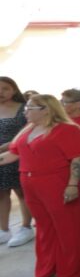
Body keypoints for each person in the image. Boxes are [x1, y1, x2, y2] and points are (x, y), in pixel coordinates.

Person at [0, 94, 80, 277]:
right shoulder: (28, 130)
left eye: (30, 108)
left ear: (46, 109)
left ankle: (70, 270)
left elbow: (76, 159)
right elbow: (13, 154)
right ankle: (48, 266)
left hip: (56, 181)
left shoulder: (67, 130)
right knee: (43, 225)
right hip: (29, 182)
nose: (25, 111)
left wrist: (72, 184)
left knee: (67, 227)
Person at [0, 77, 32, 248]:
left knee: (22, 192)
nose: (1, 92)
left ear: (14, 90)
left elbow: (30, 131)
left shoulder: (24, 109)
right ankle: (4, 229)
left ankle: (26, 227)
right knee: (1, 193)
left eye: (5, 88)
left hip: (18, 155)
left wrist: (7, 146)